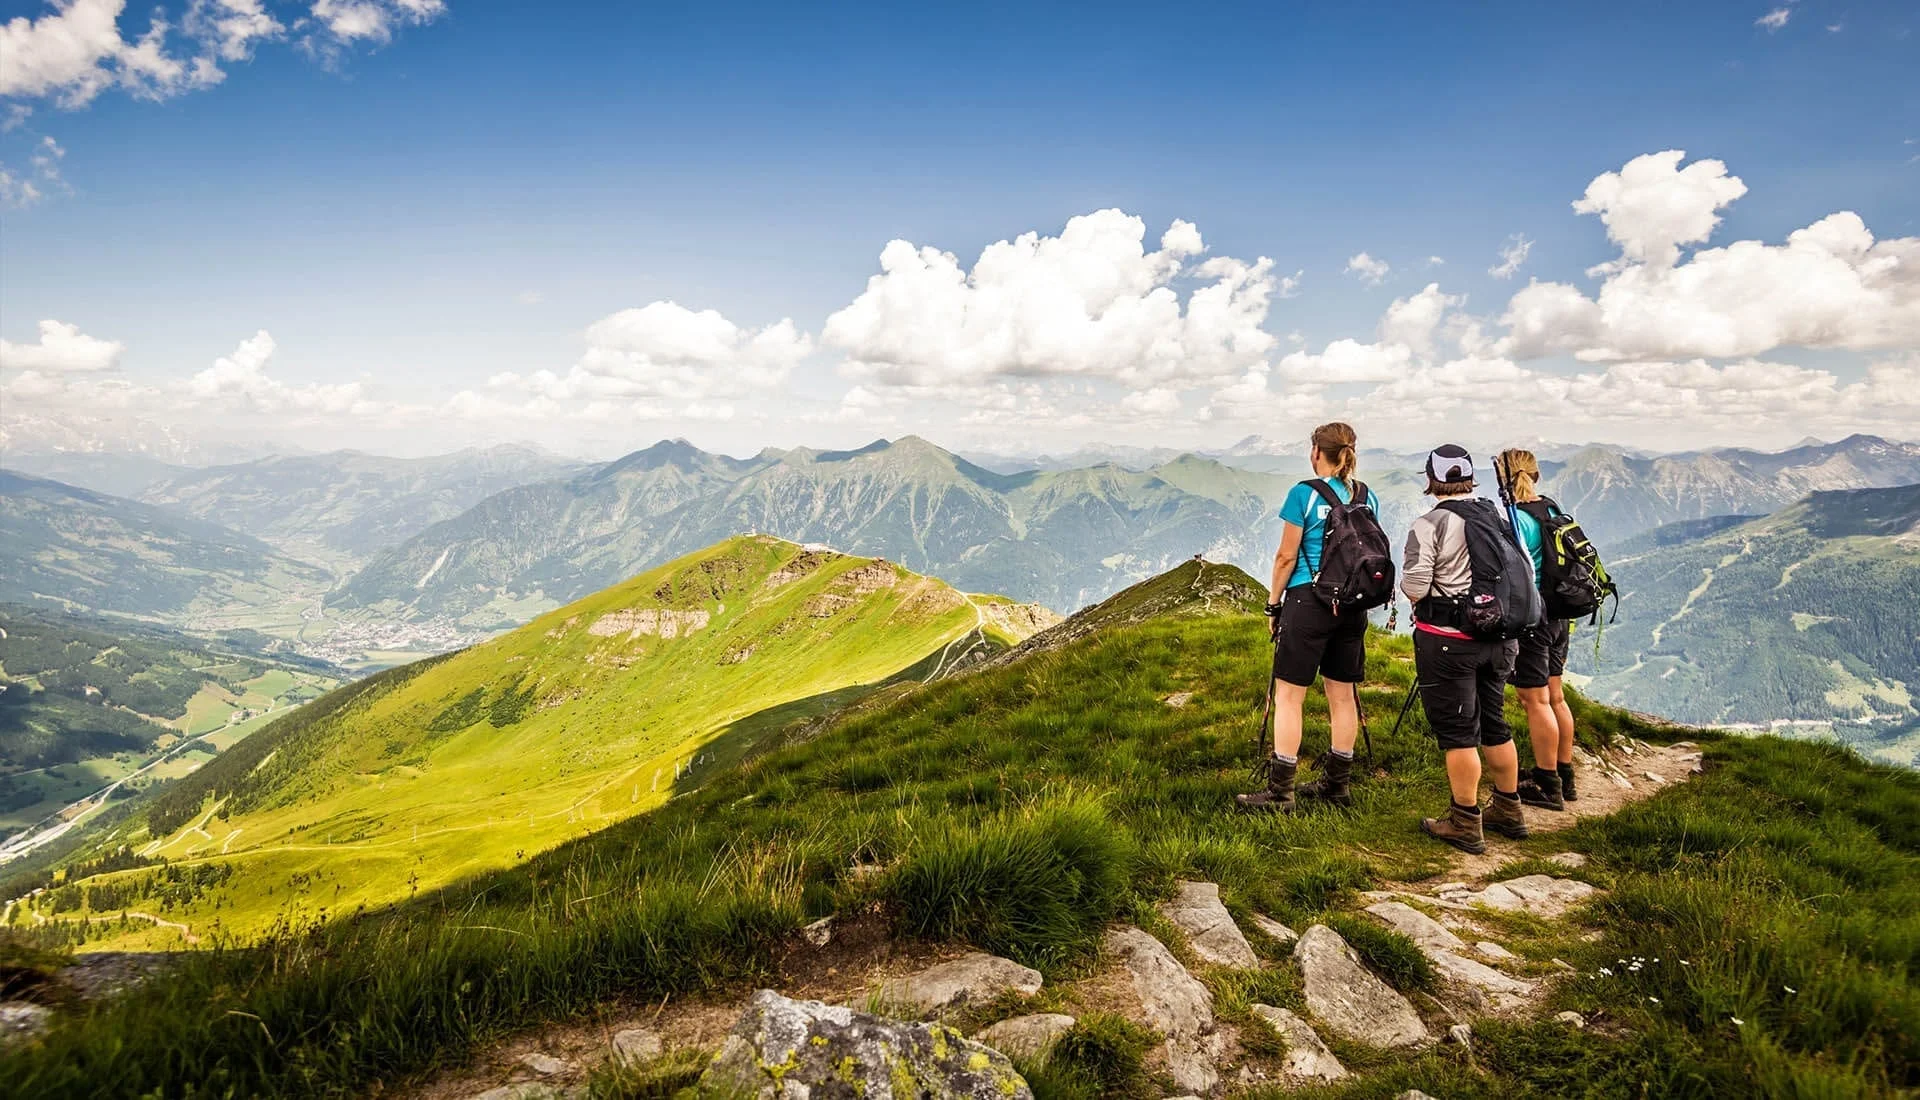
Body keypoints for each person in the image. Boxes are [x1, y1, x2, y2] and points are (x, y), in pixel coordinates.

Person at [1237, 422, 1384, 813]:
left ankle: (1281, 791)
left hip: (1309, 602)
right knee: (1342, 695)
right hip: (1352, 606)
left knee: (1289, 695)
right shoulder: (1367, 496)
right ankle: (1338, 785)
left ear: (1317, 451)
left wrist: (1273, 604)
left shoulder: (1303, 494)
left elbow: (1286, 556)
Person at [1400, 444, 1528, 853]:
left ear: (1431, 478)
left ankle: (1464, 821)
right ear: (1469, 477)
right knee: (1495, 723)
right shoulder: (1496, 515)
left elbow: (1416, 586)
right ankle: (1509, 810)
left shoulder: (1430, 523)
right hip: (1501, 638)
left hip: (1448, 642)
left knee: (1459, 734)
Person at [1500, 449, 1577, 808]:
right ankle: (1565, 775)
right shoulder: (1551, 508)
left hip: (1535, 617)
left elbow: (1508, 568)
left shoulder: (1516, 519)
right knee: (1556, 696)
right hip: (1561, 613)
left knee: (1535, 699)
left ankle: (1547, 785)